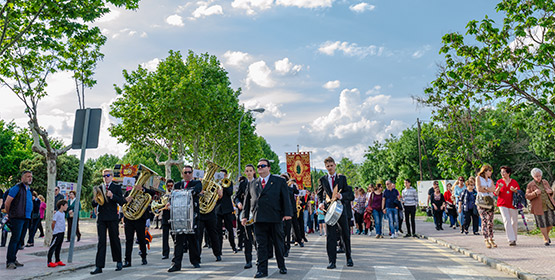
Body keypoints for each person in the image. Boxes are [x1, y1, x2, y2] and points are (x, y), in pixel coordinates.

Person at [241, 158, 292, 278]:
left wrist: (287, 213)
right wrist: (244, 216)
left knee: (278, 243)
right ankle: (261, 270)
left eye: (263, 166)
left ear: (269, 168)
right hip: (258, 218)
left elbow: (285, 198)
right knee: (261, 245)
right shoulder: (253, 183)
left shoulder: (279, 181)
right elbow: (247, 202)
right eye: (258, 166)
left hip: (275, 217)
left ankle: (281, 265)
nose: (260, 168)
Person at [317, 157, 354, 269]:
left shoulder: (341, 178)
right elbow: (319, 194)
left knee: (345, 234)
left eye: (331, 165)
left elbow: (349, 194)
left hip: (341, 209)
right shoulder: (322, 179)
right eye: (327, 166)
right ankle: (332, 261)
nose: (330, 168)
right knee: (330, 236)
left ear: (335, 165)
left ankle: (349, 258)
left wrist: (341, 196)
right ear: (325, 167)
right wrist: (320, 203)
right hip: (329, 210)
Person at [90, 169, 126, 275]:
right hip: (101, 218)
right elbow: (93, 203)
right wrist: (95, 200)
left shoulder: (116, 187)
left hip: (112, 217)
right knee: (101, 242)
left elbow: (122, 201)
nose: (105, 178)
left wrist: (112, 196)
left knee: (114, 239)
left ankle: (118, 261)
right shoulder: (99, 188)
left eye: (107, 175)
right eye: (104, 176)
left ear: (112, 176)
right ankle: (99, 266)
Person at [168, 166, 203, 272]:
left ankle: (195, 261)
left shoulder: (197, 183)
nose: (187, 174)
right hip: (179, 216)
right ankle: (176, 264)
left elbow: (196, 191)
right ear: (182, 174)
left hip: (192, 216)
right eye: (185, 172)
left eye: (189, 172)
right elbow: (172, 196)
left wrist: (183, 191)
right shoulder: (177, 185)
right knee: (178, 241)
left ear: (192, 173)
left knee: (192, 239)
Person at [4, 171, 33, 269]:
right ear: (22, 178)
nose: (30, 178)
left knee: (20, 240)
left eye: (31, 176)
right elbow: (7, 202)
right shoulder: (17, 188)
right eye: (28, 176)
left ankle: (14, 258)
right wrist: (9, 213)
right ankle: (10, 261)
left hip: (26, 218)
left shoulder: (28, 190)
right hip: (17, 218)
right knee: (15, 239)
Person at [122, 182, 156, 267]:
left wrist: (143, 189)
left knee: (141, 239)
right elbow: (122, 202)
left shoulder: (145, 192)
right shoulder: (128, 193)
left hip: (140, 219)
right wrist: (126, 199)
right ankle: (127, 261)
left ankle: (144, 257)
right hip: (129, 219)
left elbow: (153, 193)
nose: (136, 185)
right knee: (128, 240)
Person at [525, 168, 555, 246]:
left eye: (539, 176)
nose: (538, 177)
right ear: (533, 176)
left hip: (548, 204)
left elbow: (550, 192)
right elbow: (527, 196)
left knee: (551, 222)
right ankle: (546, 239)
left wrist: (551, 191)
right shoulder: (530, 184)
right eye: (536, 176)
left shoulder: (545, 182)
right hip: (538, 207)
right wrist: (534, 193)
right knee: (542, 223)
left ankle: (546, 235)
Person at [235, 165, 257, 268]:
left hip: (256, 214)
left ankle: (260, 258)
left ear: (254, 172)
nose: (248, 173)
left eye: (250, 171)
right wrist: (238, 203)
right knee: (247, 238)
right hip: (245, 214)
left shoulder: (258, 182)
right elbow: (236, 197)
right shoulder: (243, 184)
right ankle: (248, 260)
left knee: (257, 238)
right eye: (247, 171)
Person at [495, 166, 520, 246]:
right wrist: (499, 187)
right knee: (506, 220)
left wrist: (514, 190)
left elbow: (518, 192)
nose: (502, 174)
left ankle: (514, 238)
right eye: (501, 172)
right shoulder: (499, 181)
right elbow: (496, 194)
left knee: (514, 221)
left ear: (509, 173)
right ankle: (511, 239)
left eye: (504, 172)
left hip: (512, 204)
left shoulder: (514, 182)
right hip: (502, 203)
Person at [215, 169, 238, 255]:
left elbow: (230, 193)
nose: (222, 177)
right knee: (218, 231)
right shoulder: (215, 184)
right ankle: (219, 250)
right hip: (218, 209)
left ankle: (233, 246)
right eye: (220, 175)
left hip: (227, 209)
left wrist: (223, 186)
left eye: (223, 175)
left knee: (230, 229)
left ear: (226, 175)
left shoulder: (229, 183)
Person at [476, 164, 497, 248]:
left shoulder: (490, 180)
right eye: (489, 171)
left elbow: (493, 189)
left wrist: (485, 188)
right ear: (485, 171)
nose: (491, 172)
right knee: (484, 220)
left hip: (490, 201)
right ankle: (486, 238)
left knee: (490, 221)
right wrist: (488, 189)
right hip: (481, 201)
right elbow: (479, 189)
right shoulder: (478, 178)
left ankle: (491, 238)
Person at [47, 200, 68, 268]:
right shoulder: (57, 214)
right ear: (62, 206)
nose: (67, 207)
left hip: (62, 232)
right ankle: (49, 261)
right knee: (53, 246)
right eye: (66, 205)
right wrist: (54, 230)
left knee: (59, 247)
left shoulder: (63, 213)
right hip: (57, 233)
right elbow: (53, 222)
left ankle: (57, 260)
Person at [161, 179, 174, 259]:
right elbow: (160, 205)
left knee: (175, 236)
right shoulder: (164, 195)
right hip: (165, 217)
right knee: (165, 237)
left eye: (171, 186)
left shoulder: (176, 194)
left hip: (172, 217)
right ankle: (165, 253)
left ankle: (178, 250)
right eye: (168, 186)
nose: (170, 187)